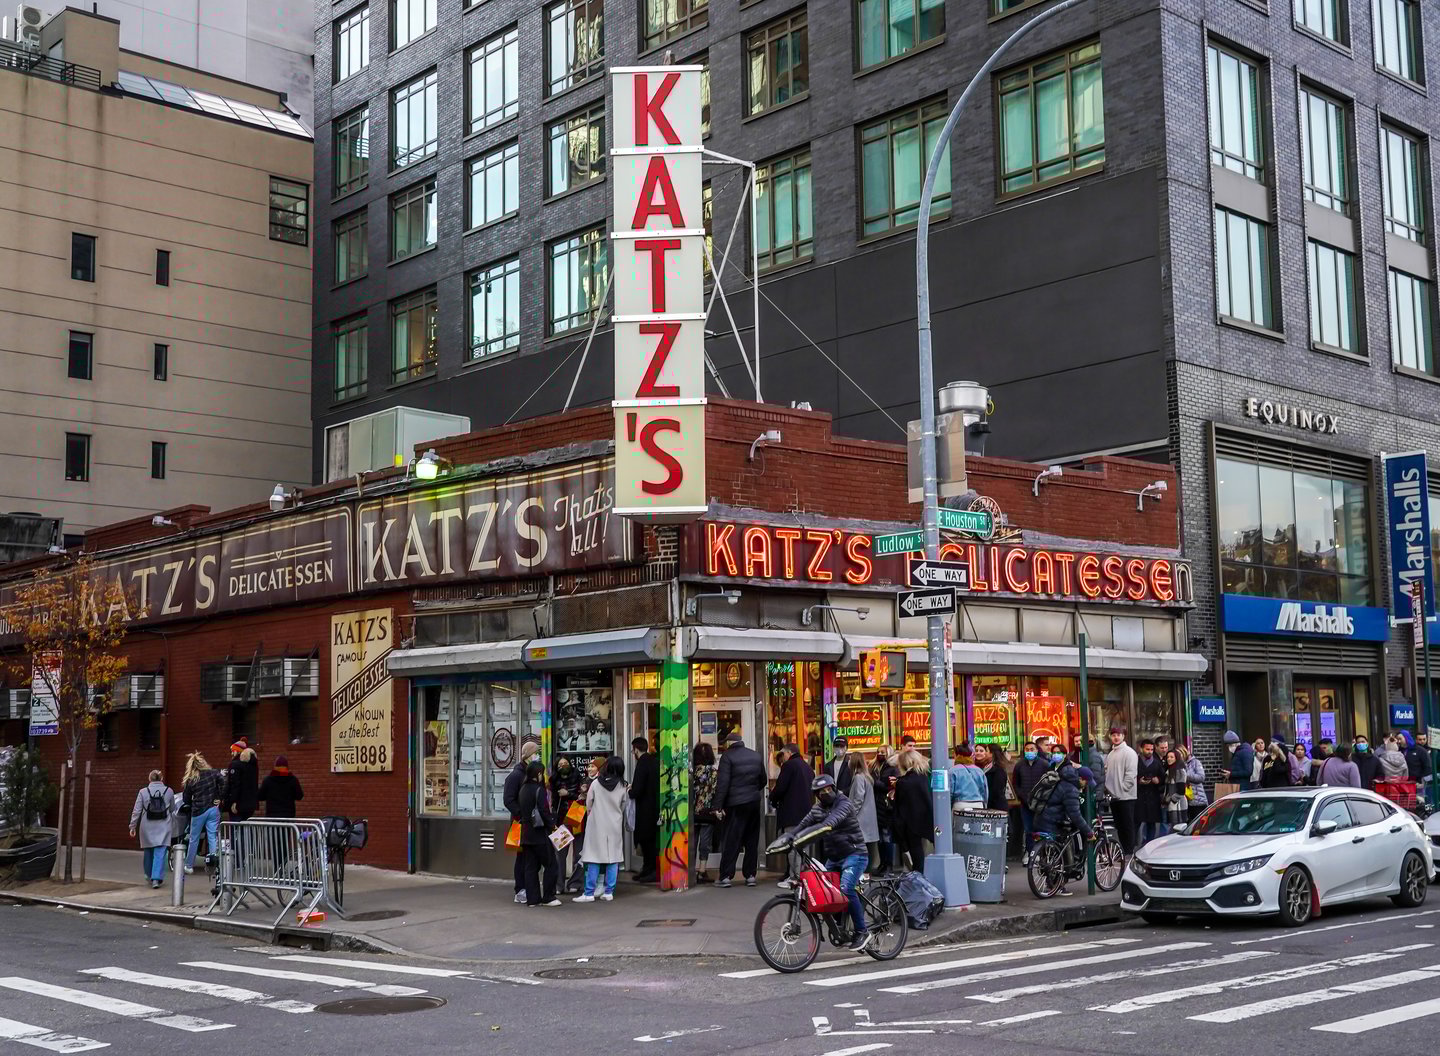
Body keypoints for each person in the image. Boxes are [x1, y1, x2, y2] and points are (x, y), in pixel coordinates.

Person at [794, 774, 871, 950]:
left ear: (834, 789)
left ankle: (862, 931)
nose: (825, 793)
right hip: (834, 857)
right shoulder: (817, 809)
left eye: (828, 789)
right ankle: (840, 926)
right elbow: (802, 825)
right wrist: (788, 838)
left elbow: (831, 822)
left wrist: (807, 836)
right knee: (825, 891)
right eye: (821, 792)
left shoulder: (844, 804)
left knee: (846, 888)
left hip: (855, 854)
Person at [714, 731, 766, 888]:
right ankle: (750, 875)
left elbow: (722, 784)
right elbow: (762, 779)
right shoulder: (756, 756)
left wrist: (718, 806)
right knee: (751, 840)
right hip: (753, 802)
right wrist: (752, 791)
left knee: (732, 840)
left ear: (729, 743)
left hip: (735, 804)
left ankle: (725, 876)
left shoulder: (727, 757)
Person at [1035, 753, 1089, 897]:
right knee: (1064, 851)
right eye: (1087, 782)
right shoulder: (1071, 789)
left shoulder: (1058, 780)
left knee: (1048, 853)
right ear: (1082, 779)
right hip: (1053, 821)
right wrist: (1088, 832)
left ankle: (1049, 883)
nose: (1086, 785)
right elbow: (1076, 816)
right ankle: (1059, 885)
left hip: (1039, 818)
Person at [575, 757, 626, 903]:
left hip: (596, 824)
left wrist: (593, 813)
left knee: (593, 857)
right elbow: (623, 805)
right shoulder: (622, 786)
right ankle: (609, 891)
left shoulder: (596, 784)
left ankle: (589, 892)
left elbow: (589, 802)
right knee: (613, 858)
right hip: (614, 825)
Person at [770, 742, 815, 886]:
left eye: (783, 754)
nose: (782, 758)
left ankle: (794, 878)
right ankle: (804, 876)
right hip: (806, 813)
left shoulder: (789, 766)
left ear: (789, 753)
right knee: (803, 847)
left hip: (792, 813)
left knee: (793, 847)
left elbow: (780, 788)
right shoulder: (808, 767)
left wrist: (772, 797)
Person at [517, 760, 561, 907]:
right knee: (551, 864)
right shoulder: (538, 790)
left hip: (526, 834)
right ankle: (549, 896)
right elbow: (544, 811)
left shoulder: (523, 789)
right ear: (538, 774)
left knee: (530, 867)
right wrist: (553, 826)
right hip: (540, 834)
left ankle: (532, 899)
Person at [504, 741, 543, 904]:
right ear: (528, 755)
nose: (538, 755)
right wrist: (521, 814)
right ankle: (520, 889)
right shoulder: (516, 775)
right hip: (522, 823)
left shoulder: (534, 773)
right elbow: (508, 800)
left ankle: (529, 888)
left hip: (535, 823)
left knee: (532, 857)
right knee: (522, 857)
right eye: (535, 752)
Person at [128, 769, 176, 889]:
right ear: (161, 779)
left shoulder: (143, 792)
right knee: (160, 852)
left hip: (147, 826)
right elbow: (172, 809)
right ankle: (156, 878)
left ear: (149, 779)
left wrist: (132, 826)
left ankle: (148, 875)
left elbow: (137, 811)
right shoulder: (169, 791)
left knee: (148, 851)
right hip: (163, 825)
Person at [180, 751, 222, 875]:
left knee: (194, 839)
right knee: (212, 837)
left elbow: (186, 799)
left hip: (198, 811)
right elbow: (223, 783)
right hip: (213, 809)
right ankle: (213, 864)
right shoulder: (213, 773)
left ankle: (189, 865)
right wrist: (219, 797)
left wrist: (192, 801)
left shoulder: (191, 779)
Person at [893, 748, 932, 874]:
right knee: (922, 851)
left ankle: (918, 878)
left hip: (910, 822)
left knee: (915, 853)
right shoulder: (924, 777)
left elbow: (900, 806)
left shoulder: (903, 783)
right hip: (925, 819)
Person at [550, 756, 584, 892]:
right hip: (561, 819)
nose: (563, 765)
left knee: (578, 853)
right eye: (560, 764)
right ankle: (559, 885)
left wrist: (568, 793)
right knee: (559, 854)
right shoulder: (553, 780)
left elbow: (582, 796)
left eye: (565, 763)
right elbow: (552, 800)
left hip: (576, 816)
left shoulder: (578, 777)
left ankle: (575, 883)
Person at [1012, 739, 1049, 864]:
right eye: (1027, 750)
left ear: (1037, 751)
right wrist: (1021, 795)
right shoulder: (1019, 765)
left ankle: (1042, 853)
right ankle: (1029, 852)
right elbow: (1015, 783)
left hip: (1041, 803)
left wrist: (1043, 797)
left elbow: (1049, 782)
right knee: (1028, 829)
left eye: (1032, 749)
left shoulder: (1044, 764)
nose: (1029, 752)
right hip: (1025, 803)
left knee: (1041, 828)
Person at [629, 737, 660, 883]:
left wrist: (630, 791)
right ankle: (649, 869)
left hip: (645, 808)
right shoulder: (653, 761)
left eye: (633, 750)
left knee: (647, 841)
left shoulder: (642, 763)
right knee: (651, 841)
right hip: (654, 806)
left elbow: (637, 789)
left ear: (636, 749)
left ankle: (650, 870)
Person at [1103, 726, 1138, 854]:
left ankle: (1129, 851)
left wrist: (1123, 788)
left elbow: (1131, 773)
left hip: (1126, 797)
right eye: (1113, 735)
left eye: (1119, 734)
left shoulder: (1129, 753)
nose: (1116, 737)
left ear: (1123, 736)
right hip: (1114, 797)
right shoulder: (1111, 754)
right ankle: (1123, 850)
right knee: (1119, 826)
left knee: (1127, 825)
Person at [691, 742, 719, 884]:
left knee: (692, 841)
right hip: (708, 811)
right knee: (705, 842)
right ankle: (702, 870)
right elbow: (716, 791)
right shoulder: (713, 772)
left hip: (692, 811)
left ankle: (690, 870)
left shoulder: (691, 772)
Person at [847, 753, 880, 873]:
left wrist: (851, 814)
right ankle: (867, 871)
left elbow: (858, 798)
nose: (848, 762)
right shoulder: (866, 776)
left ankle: (863, 872)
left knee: (861, 848)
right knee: (868, 847)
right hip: (868, 818)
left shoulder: (858, 777)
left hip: (861, 818)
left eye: (850, 759)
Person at [872, 746, 900, 875]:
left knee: (886, 836)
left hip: (887, 806)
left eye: (882, 752)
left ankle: (889, 865)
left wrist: (875, 782)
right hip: (877, 806)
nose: (879, 754)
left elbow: (890, 787)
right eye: (878, 752)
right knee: (881, 838)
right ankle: (883, 864)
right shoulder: (876, 767)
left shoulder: (892, 768)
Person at [1136, 739, 1165, 845]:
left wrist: (1158, 780)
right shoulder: (1136, 761)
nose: (1150, 751)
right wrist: (1139, 781)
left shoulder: (1157, 763)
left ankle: (1149, 844)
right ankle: (1137, 844)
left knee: (1151, 824)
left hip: (1153, 797)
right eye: (1147, 749)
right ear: (1141, 749)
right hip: (1139, 796)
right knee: (1138, 822)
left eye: (1152, 749)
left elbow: (1163, 779)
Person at [224, 737, 259, 822]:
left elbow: (234, 785)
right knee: (246, 829)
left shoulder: (235, 765)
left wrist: (233, 801)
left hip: (238, 805)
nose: (232, 754)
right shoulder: (253, 765)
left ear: (238, 751)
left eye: (233, 751)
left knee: (236, 829)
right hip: (250, 804)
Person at [947, 742, 986, 812]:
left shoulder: (953, 770)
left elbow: (950, 792)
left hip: (960, 804)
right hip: (978, 804)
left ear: (956, 755)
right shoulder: (979, 770)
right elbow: (984, 790)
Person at [975, 743, 1008, 811]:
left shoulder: (998, 770)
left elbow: (997, 791)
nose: (985, 753)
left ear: (992, 754)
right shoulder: (985, 768)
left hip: (996, 808)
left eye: (986, 751)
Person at [1161, 749, 1188, 831]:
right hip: (1171, 804)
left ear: (1177, 758)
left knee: (1178, 827)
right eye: (1168, 757)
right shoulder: (1169, 771)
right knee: (1172, 826)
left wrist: (1170, 799)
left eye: (1172, 757)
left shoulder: (1179, 770)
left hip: (1178, 804)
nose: (1169, 759)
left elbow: (1181, 791)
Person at [1181, 746, 1208, 822]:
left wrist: (1186, 775)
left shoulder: (1195, 762)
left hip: (1197, 799)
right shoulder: (1179, 764)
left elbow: (1201, 777)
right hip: (1185, 800)